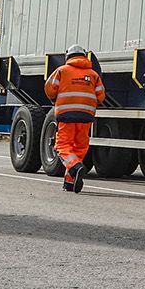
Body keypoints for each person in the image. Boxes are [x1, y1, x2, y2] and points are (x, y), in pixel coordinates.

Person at [44, 45, 105, 193]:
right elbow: (101, 97)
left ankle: (75, 167)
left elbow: (49, 90)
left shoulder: (61, 71)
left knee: (62, 146)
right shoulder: (93, 75)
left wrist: (56, 98)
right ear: (84, 57)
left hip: (67, 115)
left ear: (68, 57)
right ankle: (70, 183)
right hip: (86, 117)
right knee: (78, 148)